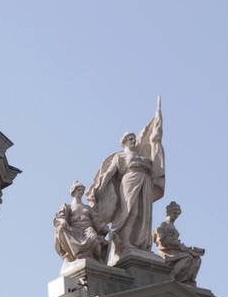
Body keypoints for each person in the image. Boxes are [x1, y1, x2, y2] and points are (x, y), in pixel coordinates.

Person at [87, 98, 165, 259]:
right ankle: (123, 241)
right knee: (130, 210)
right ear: (123, 142)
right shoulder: (120, 156)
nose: (133, 140)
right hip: (130, 180)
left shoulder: (141, 156)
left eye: (134, 138)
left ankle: (139, 243)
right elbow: (109, 173)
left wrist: (155, 141)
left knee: (143, 213)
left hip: (145, 181)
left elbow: (154, 155)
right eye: (130, 138)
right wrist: (100, 187)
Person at [53, 182, 108, 265]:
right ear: (73, 191)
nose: (81, 192)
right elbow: (60, 217)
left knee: (93, 236)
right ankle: (75, 254)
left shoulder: (87, 208)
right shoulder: (67, 206)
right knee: (61, 229)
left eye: (82, 190)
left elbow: (96, 221)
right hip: (74, 231)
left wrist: (106, 229)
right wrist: (62, 220)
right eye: (79, 190)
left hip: (87, 230)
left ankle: (99, 259)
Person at [154, 202, 204, 284]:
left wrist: (190, 249)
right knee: (188, 258)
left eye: (178, 214)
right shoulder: (163, 225)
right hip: (167, 252)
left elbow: (176, 242)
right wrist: (176, 244)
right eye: (174, 213)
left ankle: (188, 280)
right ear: (168, 212)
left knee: (197, 259)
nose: (176, 215)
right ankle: (171, 277)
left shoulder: (172, 226)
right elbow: (161, 241)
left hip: (175, 251)